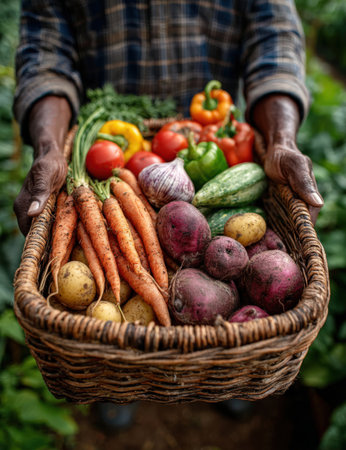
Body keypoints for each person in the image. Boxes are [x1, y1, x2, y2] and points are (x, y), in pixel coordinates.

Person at [13, 0, 323, 235]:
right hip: (97, 160)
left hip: (215, 142)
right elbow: (45, 57)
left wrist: (281, 141)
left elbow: (276, 45)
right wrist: (50, 148)